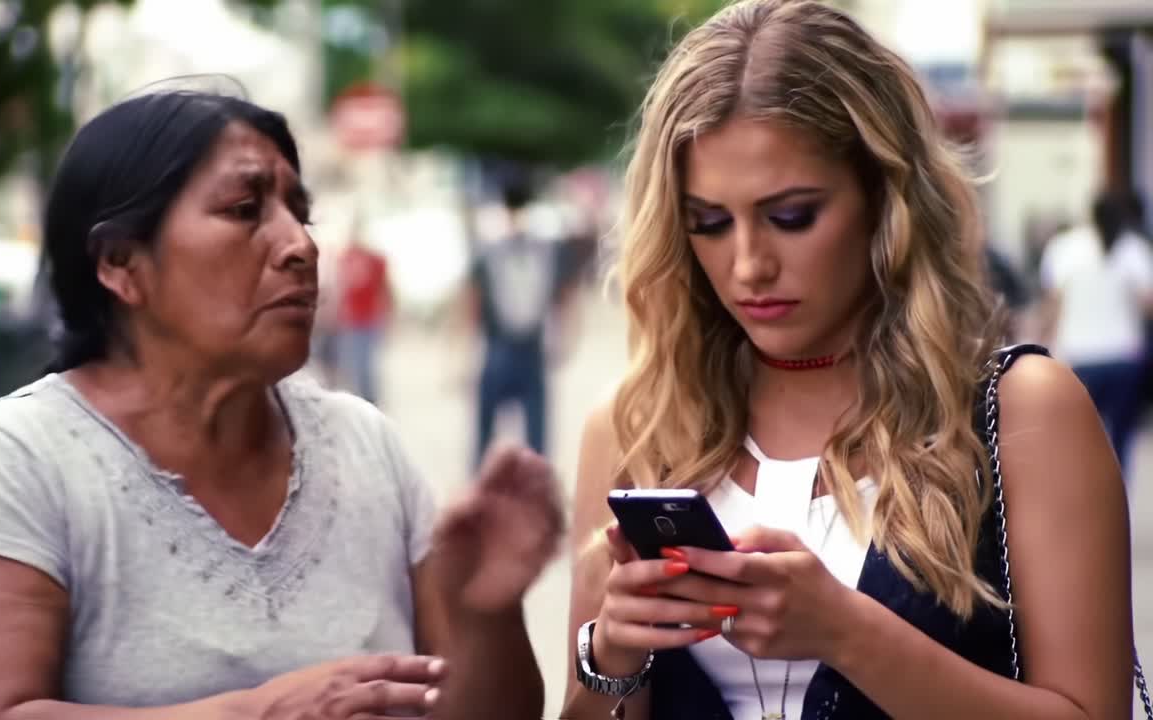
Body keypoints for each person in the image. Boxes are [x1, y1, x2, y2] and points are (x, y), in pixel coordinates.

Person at [0, 90, 562, 720]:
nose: (301, 246)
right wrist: (259, 709)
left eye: (300, 213)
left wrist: (487, 617)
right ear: (121, 262)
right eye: (245, 210)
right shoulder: (16, 458)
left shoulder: (366, 446)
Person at [562, 2, 1135, 719]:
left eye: (792, 216)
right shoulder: (636, 423)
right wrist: (612, 658)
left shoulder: (1022, 409)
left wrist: (849, 634)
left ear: (885, 197)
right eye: (707, 223)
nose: (748, 265)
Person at [1040, 190, 1153, 478]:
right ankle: (1118, 503)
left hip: (1079, 356)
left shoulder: (1065, 247)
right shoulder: (1132, 249)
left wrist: (1044, 339)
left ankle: (1085, 497)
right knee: (1121, 440)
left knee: (1080, 437)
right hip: (1123, 356)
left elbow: (1053, 304)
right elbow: (1147, 304)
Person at [466, 175, 575, 465]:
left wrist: (565, 333)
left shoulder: (534, 249)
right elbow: (473, 298)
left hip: (525, 343)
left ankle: (526, 481)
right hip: (504, 342)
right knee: (494, 428)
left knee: (529, 432)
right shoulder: (498, 250)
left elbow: (561, 294)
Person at [333, 218, 392, 405]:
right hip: (351, 320)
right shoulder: (344, 257)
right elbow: (340, 289)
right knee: (353, 363)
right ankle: (359, 399)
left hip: (369, 318)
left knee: (366, 364)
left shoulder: (375, 259)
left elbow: (385, 289)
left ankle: (370, 399)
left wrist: (386, 315)